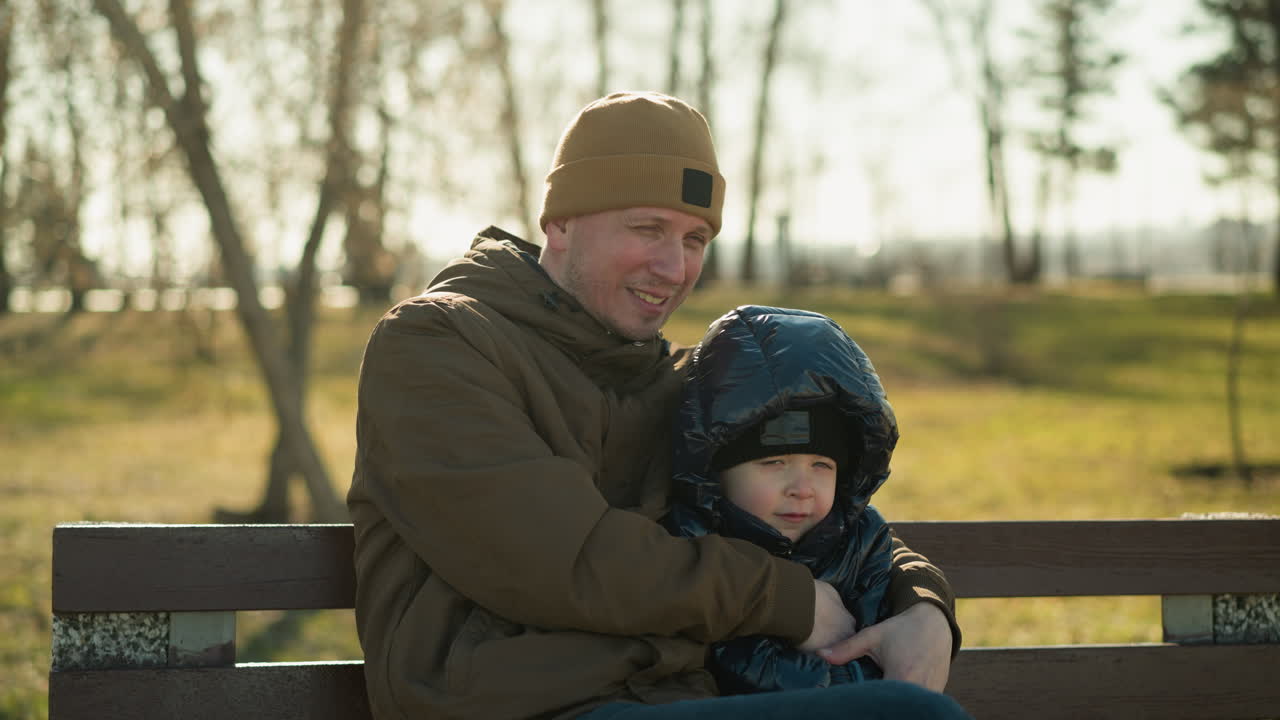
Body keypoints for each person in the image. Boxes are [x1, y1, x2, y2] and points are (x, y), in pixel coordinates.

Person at [347, 91, 968, 720]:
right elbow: (559, 559)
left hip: (672, 701)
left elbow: (825, 519)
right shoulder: (436, 346)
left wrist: (921, 604)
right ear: (559, 223)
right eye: (648, 229)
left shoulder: (678, 383)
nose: (674, 267)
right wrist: (787, 600)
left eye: (695, 238)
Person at [665, 304, 911, 695]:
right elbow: (730, 662)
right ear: (717, 470)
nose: (802, 487)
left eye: (822, 465)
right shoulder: (695, 547)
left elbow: (894, 626)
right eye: (774, 462)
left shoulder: (861, 542)